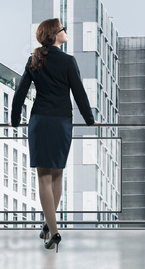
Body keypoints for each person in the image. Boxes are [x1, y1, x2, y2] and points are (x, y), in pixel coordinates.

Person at [11, 18, 97, 252]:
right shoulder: (69, 61)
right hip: (61, 123)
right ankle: (52, 228)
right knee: (57, 175)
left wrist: (14, 119)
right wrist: (90, 120)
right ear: (54, 35)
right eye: (62, 29)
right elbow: (79, 92)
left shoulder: (35, 60)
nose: (65, 31)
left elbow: (20, 93)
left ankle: (52, 229)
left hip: (39, 121)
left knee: (44, 178)